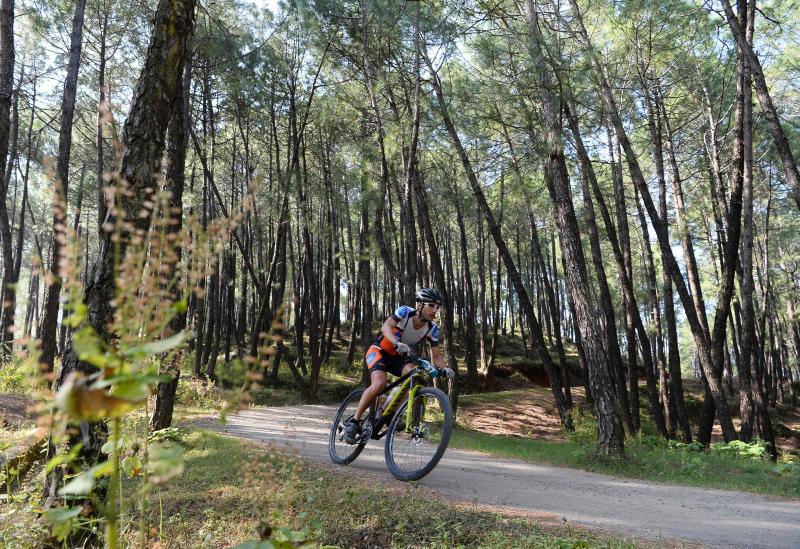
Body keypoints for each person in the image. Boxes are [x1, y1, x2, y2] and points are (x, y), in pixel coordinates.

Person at [343, 288, 454, 444]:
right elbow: (386, 327)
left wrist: (444, 368)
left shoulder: (432, 328)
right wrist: (395, 343)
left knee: (415, 377)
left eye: (437, 307)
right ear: (420, 305)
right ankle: (354, 422)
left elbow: (436, 355)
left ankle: (388, 412)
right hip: (379, 351)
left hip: (398, 357)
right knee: (380, 383)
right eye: (431, 305)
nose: (434, 310)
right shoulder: (405, 312)